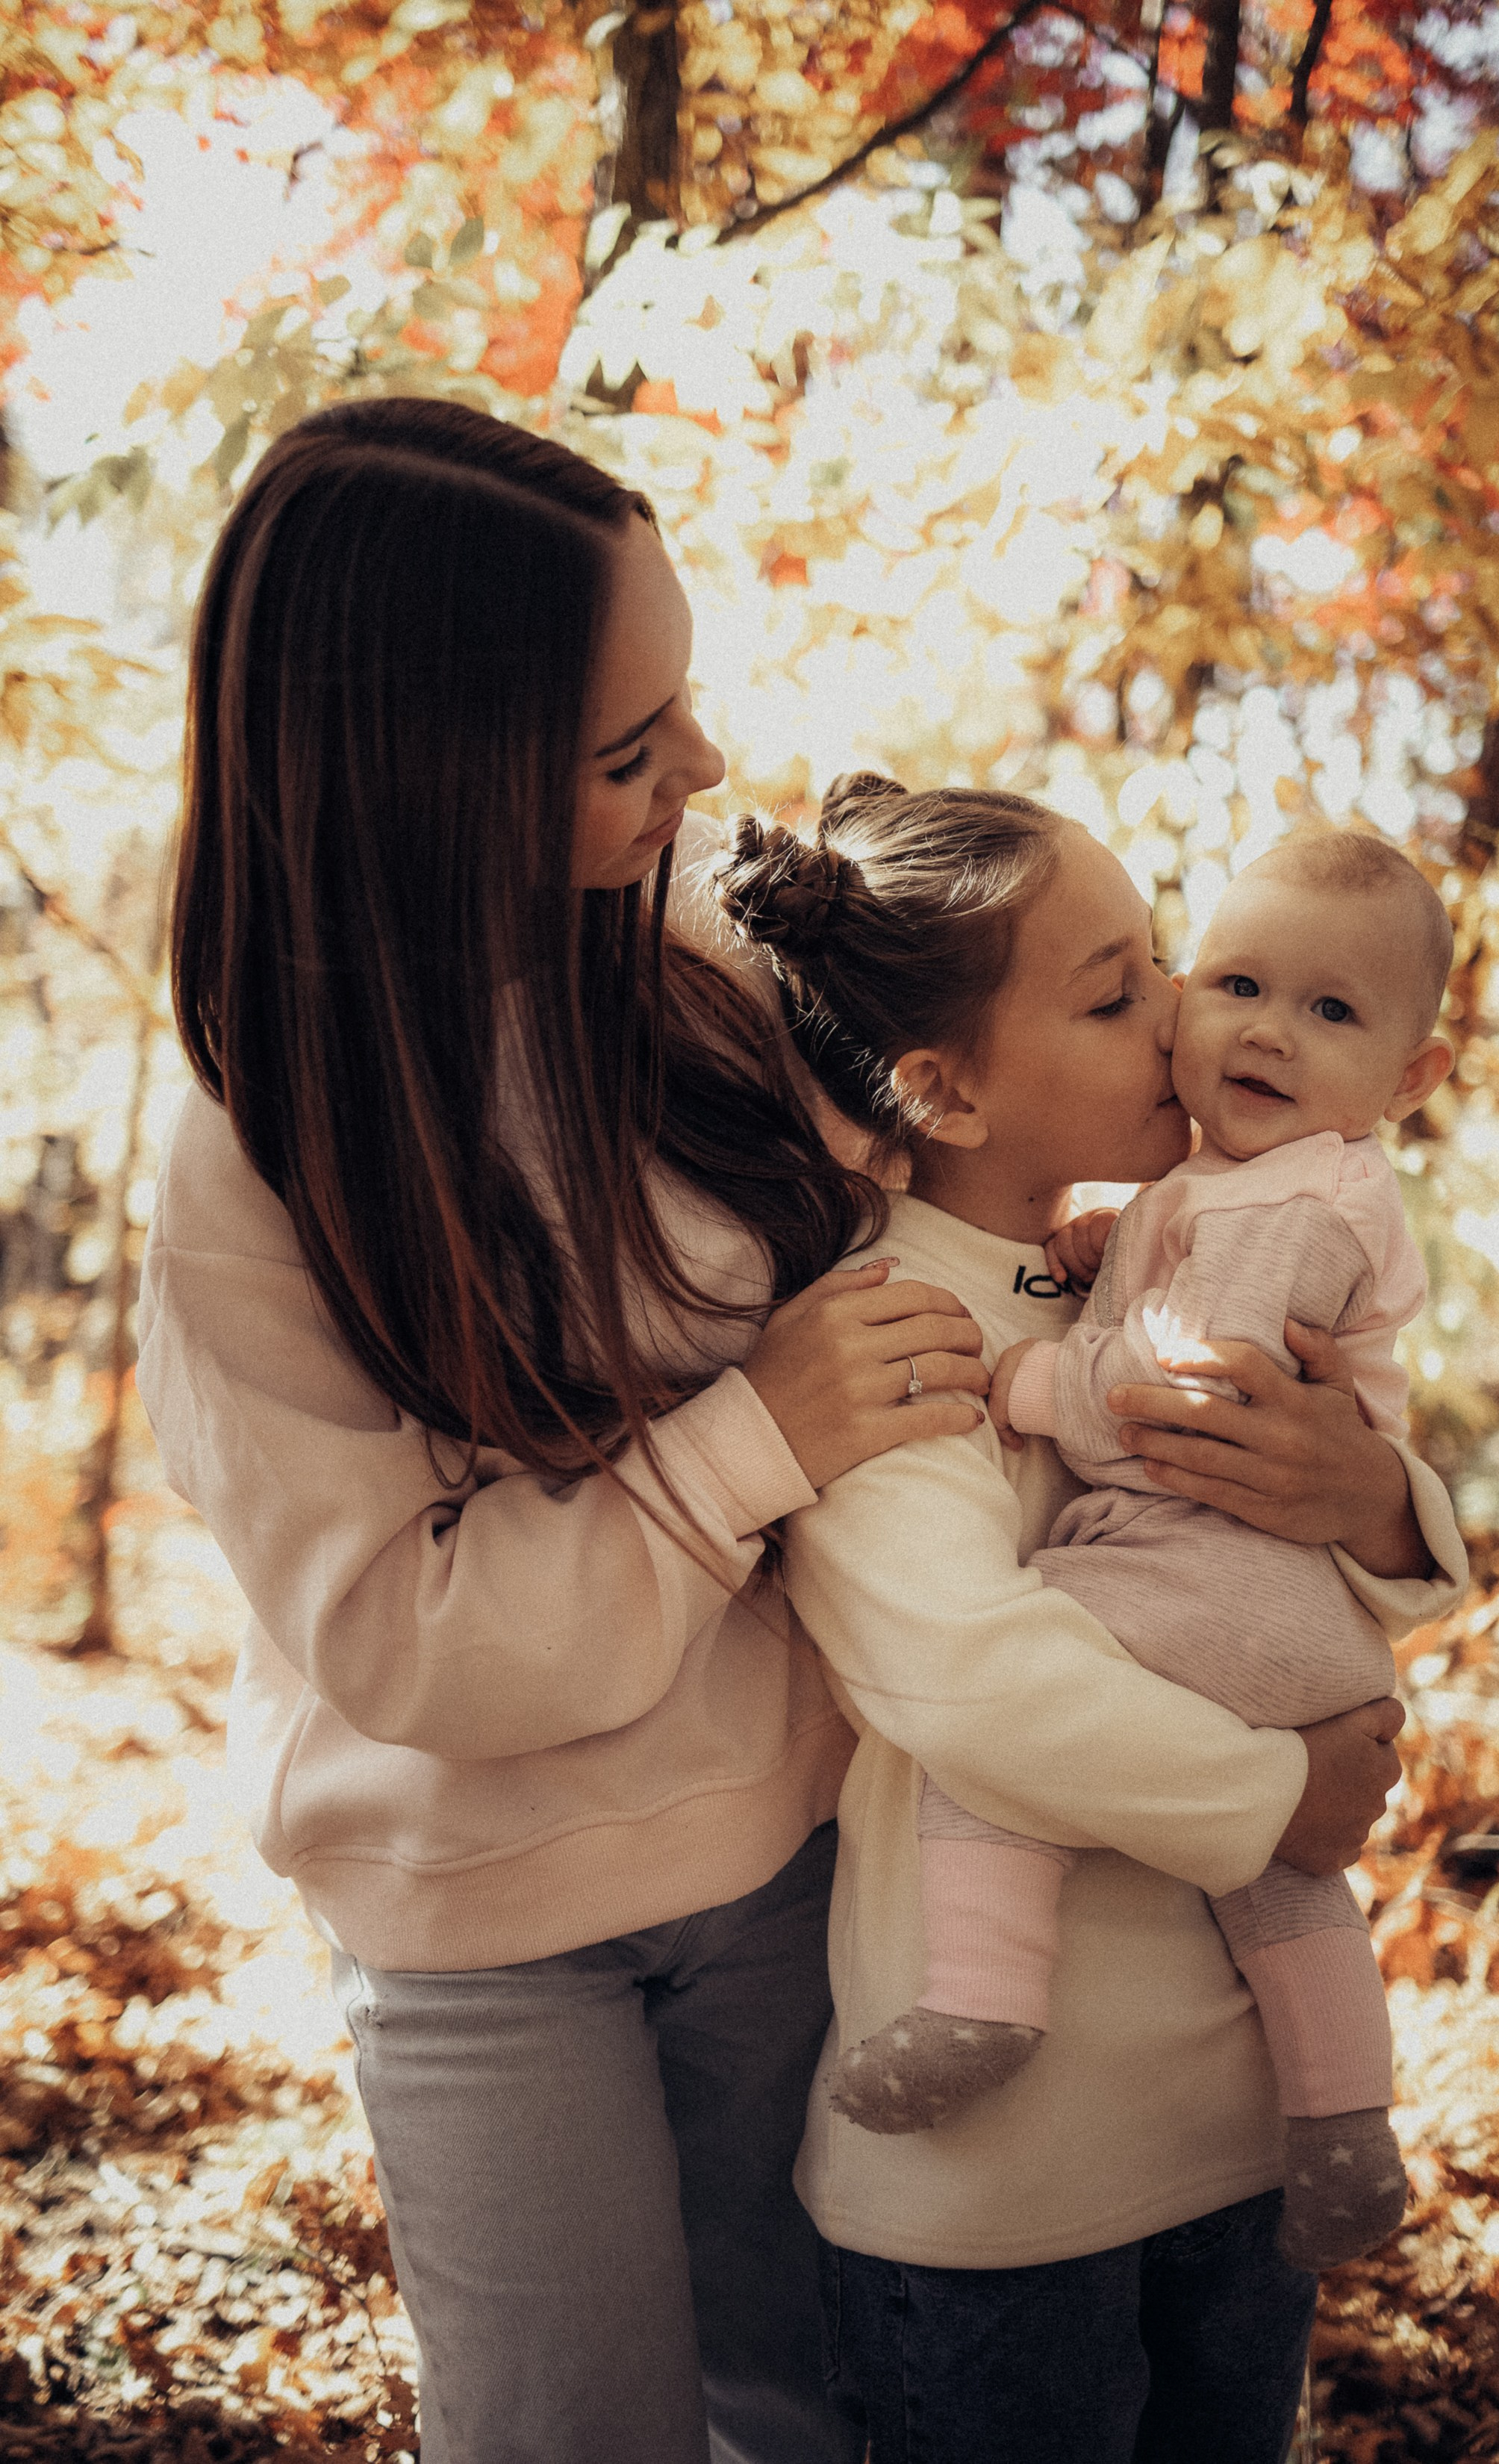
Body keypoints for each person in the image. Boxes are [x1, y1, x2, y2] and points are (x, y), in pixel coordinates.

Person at [138, 396, 1426, 2464]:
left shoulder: (715, 987)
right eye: (626, 749)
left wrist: (1371, 1480)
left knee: (807, 2411)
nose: (706, 771)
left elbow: (1028, 1217)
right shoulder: (259, 1167)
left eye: (690, 702)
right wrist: (747, 1442)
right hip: (483, 1921)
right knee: (573, 2428)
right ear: (428, 774)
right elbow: (405, 1641)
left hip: (786, 1857)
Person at [714, 778, 1468, 2464]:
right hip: (1009, 2178)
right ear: (945, 1090)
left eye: (1162, 970)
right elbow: (973, 1679)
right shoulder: (883, 1326)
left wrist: (1363, 1501)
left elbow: (1274, 1591)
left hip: (1240, 2120)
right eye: (1122, 991)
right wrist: (1280, 1801)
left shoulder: (1158, 1254)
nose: (1188, 1029)